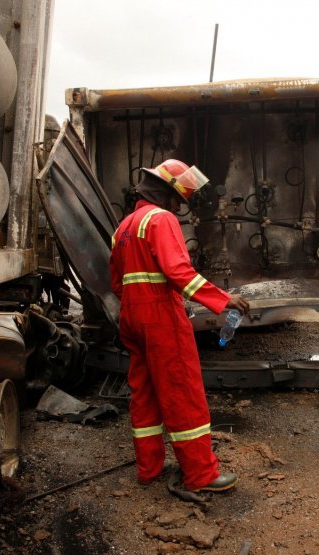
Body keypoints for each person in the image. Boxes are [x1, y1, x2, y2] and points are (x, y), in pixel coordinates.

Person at [109, 158, 250, 493]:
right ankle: (201, 475)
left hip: (131, 316)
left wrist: (139, 302)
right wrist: (221, 299)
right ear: (168, 193)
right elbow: (178, 271)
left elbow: (117, 283)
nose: (181, 204)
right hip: (159, 317)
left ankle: (148, 469)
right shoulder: (161, 219)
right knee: (181, 391)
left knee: (144, 394)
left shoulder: (124, 227)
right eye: (180, 198)